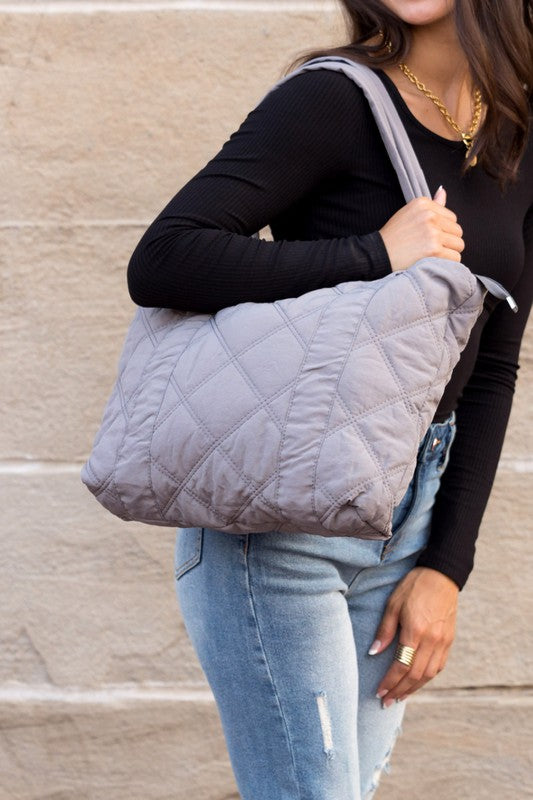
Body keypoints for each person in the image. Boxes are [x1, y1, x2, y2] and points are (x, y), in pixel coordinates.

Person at [127, 1, 533, 797]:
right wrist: (373, 253)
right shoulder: (330, 100)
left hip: (408, 523)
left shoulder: (514, 136)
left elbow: (494, 365)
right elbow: (164, 258)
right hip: (279, 528)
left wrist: (446, 567)